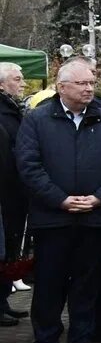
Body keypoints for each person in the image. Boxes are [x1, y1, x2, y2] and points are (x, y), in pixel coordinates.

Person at [15, 58, 101, 343]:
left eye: (91, 82)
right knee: (49, 284)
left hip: (94, 218)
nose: (89, 88)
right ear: (61, 87)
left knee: (87, 284)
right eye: (82, 83)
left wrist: (100, 198)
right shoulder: (37, 120)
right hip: (53, 219)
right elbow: (28, 166)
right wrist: (60, 200)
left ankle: (82, 341)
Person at [0, 62, 29, 324]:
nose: (23, 84)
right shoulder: (4, 112)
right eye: (17, 79)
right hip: (6, 192)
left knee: (10, 246)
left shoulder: (14, 109)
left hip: (15, 191)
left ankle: (3, 300)